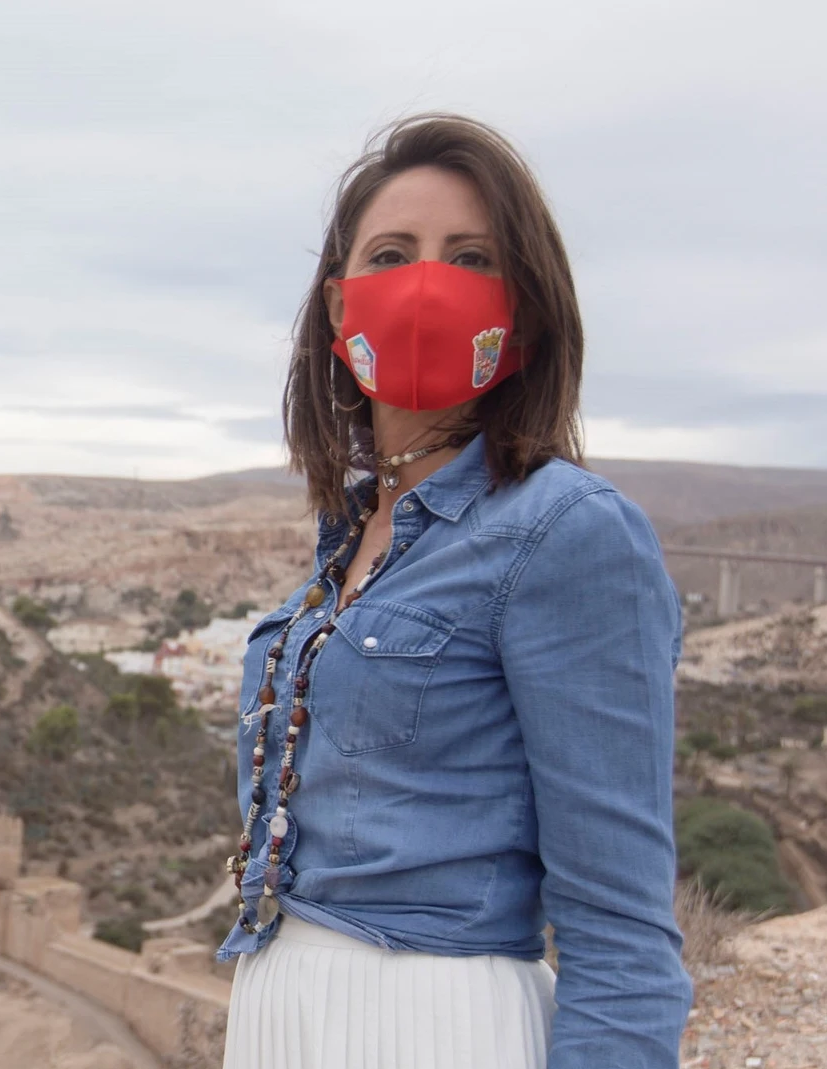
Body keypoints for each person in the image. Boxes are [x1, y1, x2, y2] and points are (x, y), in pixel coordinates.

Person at [217, 114, 692, 1069]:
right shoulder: (351, 540)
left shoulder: (567, 532)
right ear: (338, 303)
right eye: (391, 254)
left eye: (470, 256)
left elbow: (622, 932)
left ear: (524, 304)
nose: (426, 284)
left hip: (433, 1028)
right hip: (282, 1017)